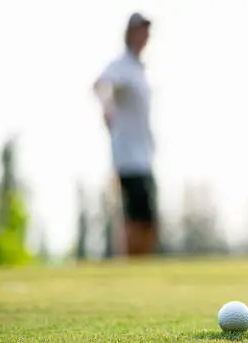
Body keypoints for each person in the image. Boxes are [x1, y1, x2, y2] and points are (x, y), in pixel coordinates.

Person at [93, 12, 158, 256]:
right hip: (127, 157)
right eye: (142, 30)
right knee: (134, 219)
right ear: (130, 34)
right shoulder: (121, 66)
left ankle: (141, 269)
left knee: (149, 221)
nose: (146, 36)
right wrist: (107, 107)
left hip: (145, 156)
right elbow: (100, 85)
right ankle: (130, 268)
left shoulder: (140, 70)